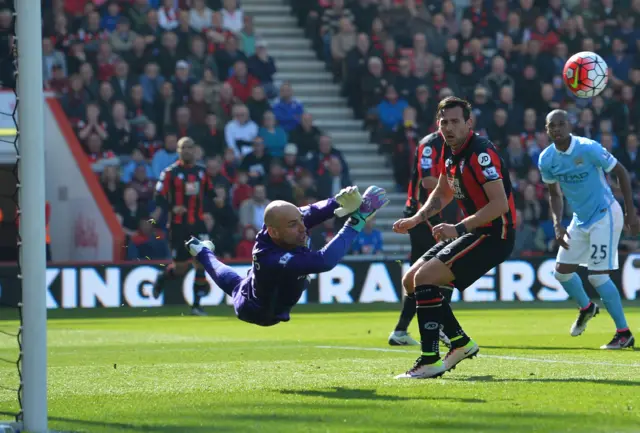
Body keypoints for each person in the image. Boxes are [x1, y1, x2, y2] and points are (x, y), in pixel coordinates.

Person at [392, 96, 516, 379]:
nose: (448, 127)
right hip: (475, 231)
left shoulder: (480, 152)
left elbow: (500, 205)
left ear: (468, 123)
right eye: (444, 122)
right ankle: (459, 343)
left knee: (425, 279)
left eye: (455, 122)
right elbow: (441, 193)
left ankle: (430, 359)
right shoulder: (450, 152)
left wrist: (458, 228)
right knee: (410, 280)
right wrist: (415, 219)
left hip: (495, 235)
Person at [186, 186, 389, 327]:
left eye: (300, 221)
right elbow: (325, 261)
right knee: (237, 287)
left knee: (240, 283)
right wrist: (356, 221)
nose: (302, 228)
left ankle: (202, 250)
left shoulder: (286, 222)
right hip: (258, 312)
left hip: (267, 284)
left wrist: (338, 201)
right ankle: (204, 253)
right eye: (294, 225)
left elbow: (313, 212)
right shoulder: (272, 259)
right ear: (273, 232)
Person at [539, 110, 639, 350]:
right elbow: (554, 194)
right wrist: (557, 223)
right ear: (547, 130)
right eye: (552, 125)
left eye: (562, 124)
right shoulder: (546, 158)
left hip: (605, 214)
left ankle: (623, 334)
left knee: (597, 276)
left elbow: (621, 172)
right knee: (561, 273)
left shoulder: (588, 148)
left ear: (570, 125)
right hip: (580, 219)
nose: (557, 129)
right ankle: (587, 307)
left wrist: (631, 212)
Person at [388, 132, 451, 349]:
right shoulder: (430, 144)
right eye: (446, 119)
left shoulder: (458, 144)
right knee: (445, 268)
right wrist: (463, 185)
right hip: (423, 215)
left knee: (421, 276)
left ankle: (401, 330)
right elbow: (427, 181)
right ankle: (443, 326)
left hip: (437, 215)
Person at [151, 137, 214, 316]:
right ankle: (163, 277)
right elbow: (158, 197)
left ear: (194, 150)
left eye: (189, 147)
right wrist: (173, 207)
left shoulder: (202, 172)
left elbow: (210, 194)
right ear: (178, 151)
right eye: (183, 147)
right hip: (178, 226)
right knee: (180, 268)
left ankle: (196, 305)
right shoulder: (169, 173)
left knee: (201, 262)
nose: (187, 150)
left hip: (198, 224)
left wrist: (213, 205)